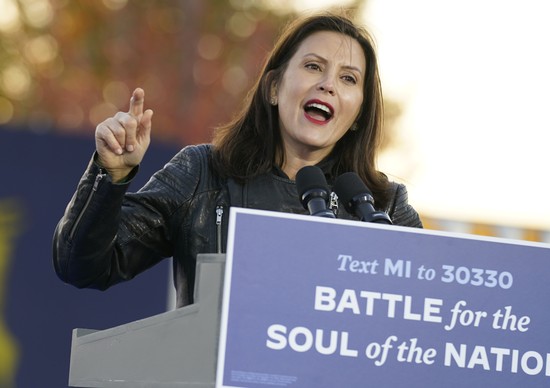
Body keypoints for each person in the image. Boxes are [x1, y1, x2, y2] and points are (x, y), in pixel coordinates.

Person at [52, 12, 423, 308]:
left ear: (359, 112)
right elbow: (84, 266)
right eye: (313, 66)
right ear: (274, 87)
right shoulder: (203, 174)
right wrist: (111, 175)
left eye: (348, 78)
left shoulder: (384, 208)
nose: (327, 84)